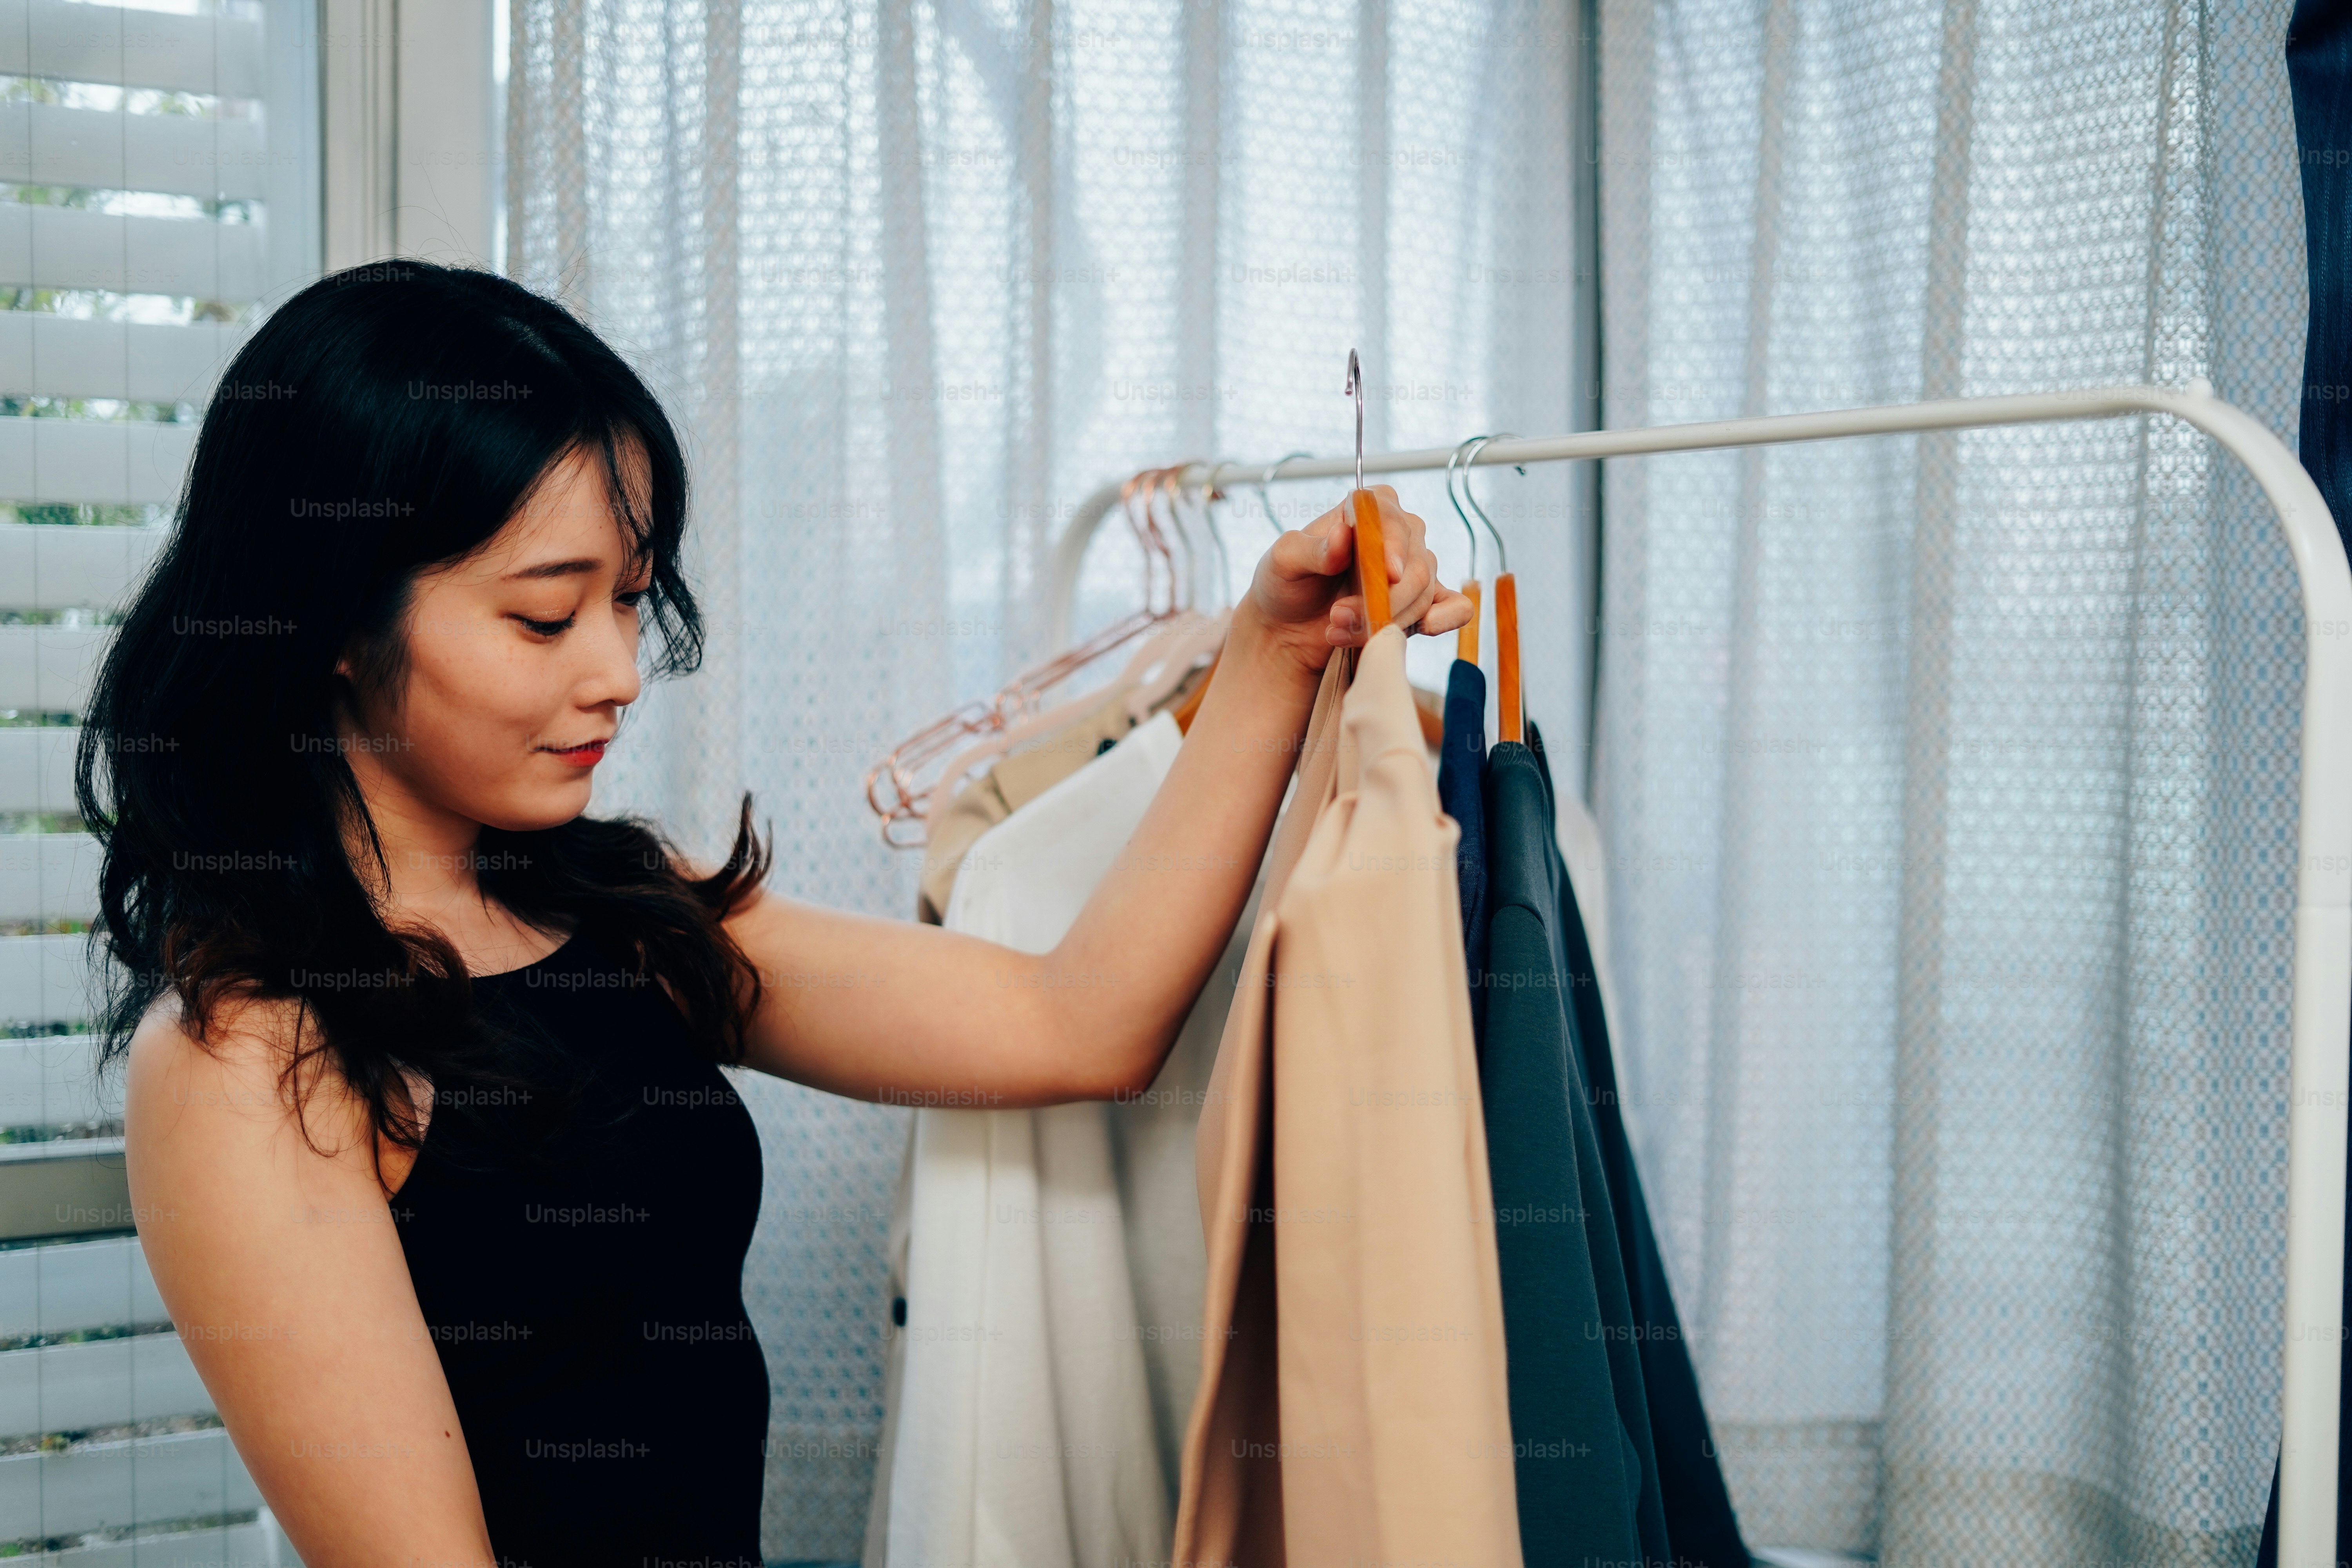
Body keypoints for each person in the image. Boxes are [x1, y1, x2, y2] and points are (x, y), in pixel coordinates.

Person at [94, 261, 1469, 1567]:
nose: (623, 672)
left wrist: (1277, 647)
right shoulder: (248, 1058)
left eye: (632, 604)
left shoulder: (622, 910)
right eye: (545, 619)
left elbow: (1078, 1024)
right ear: (331, 618)